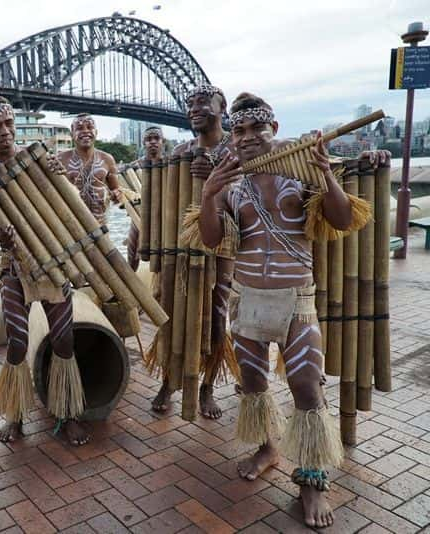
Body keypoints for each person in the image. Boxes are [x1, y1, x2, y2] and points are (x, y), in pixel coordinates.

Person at [198, 92, 368, 528]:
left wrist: (326, 175)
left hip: (296, 301)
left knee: (307, 389)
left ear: (274, 128)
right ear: (232, 137)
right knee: (252, 384)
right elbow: (212, 239)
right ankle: (267, 448)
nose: (249, 137)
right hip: (248, 299)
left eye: (258, 128)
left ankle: (312, 482)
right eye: (239, 130)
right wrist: (209, 195)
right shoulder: (233, 183)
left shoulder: (301, 175)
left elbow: (343, 218)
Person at [0, 95, 90, 447]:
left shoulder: (37, 159)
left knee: (64, 340)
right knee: (17, 343)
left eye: (8, 123)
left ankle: (68, 412)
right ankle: (15, 413)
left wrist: (59, 177)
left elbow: (66, 208)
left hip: (51, 264)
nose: (4, 132)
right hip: (13, 268)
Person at [149, 85, 234, 419]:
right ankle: (170, 378)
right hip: (181, 247)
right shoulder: (181, 150)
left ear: (221, 106)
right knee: (171, 310)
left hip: (222, 244)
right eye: (190, 104)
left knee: (216, 315)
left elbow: (248, 193)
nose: (194, 108)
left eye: (203, 102)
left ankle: (207, 385)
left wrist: (216, 179)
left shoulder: (235, 147)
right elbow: (165, 199)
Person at [53, 114, 121, 225]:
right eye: (79, 128)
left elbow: (117, 193)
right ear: (72, 134)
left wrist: (116, 195)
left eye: (90, 127)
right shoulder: (60, 159)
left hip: (100, 225)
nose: (85, 131)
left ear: (96, 132)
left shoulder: (107, 159)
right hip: (71, 226)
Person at [125, 126, 164, 271]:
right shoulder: (134, 168)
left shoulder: (170, 164)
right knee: (132, 248)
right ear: (143, 143)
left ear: (162, 141)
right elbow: (124, 195)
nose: (153, 142)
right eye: (149, 139)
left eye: (156, 138)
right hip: (139, 215)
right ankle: (130, 280)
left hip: (164, 216)